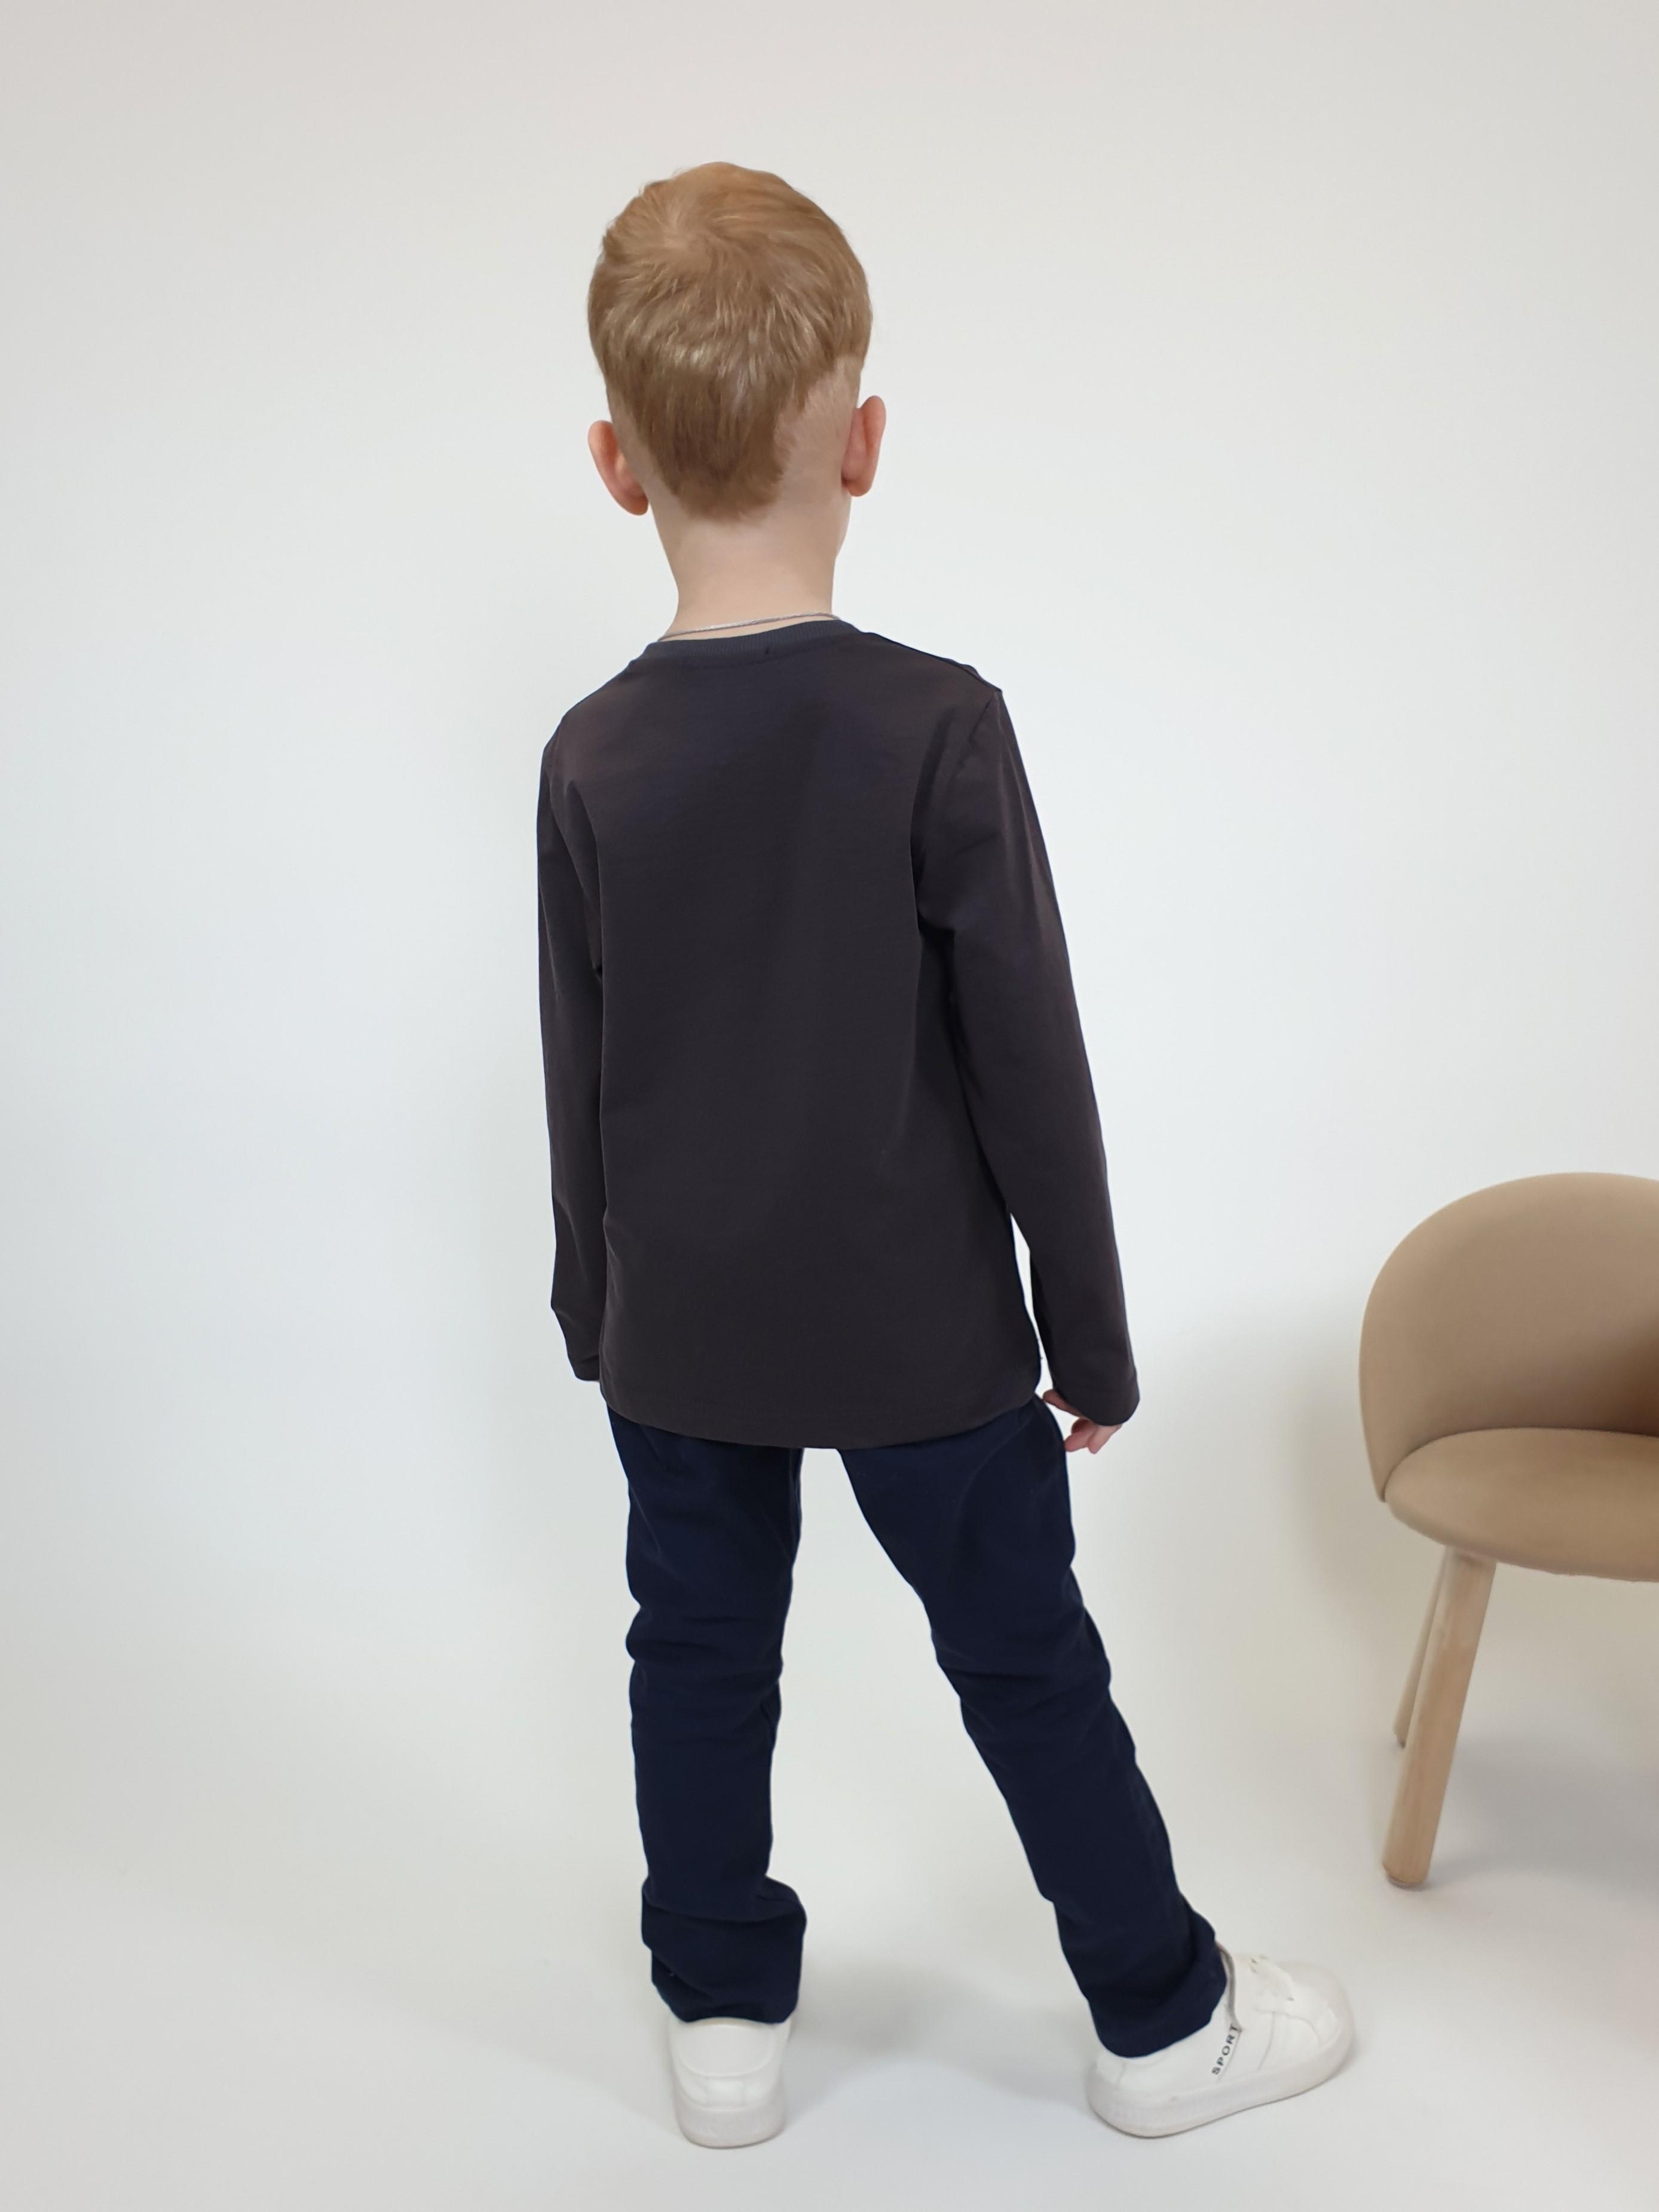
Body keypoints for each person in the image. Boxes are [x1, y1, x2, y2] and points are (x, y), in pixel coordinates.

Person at [537, 158, 1352, 2149]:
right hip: (924, 1336)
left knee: (695, 1656)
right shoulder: (937, 729)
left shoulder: (590, 757)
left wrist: (592, 1306)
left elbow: (578, 1059)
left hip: (684, 1330)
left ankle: (722, 2019)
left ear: (615, 466)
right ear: (867, 442)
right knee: (1025, 1660)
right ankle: (1162, 2021)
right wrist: (1093, 1335)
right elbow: (1030, 1065)